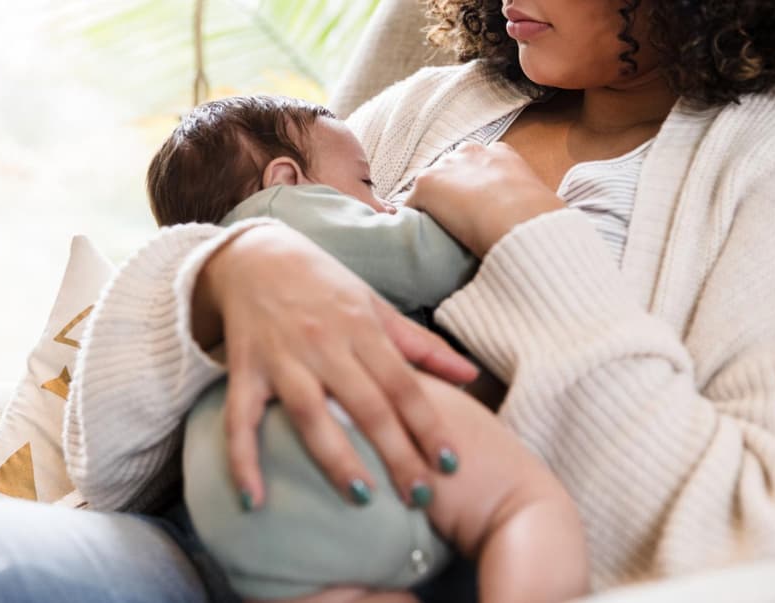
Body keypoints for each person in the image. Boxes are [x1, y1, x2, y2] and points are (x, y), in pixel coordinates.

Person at [0, 0, 775, 601]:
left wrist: (523, 242)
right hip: (202, 547)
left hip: (424, 573)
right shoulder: (441, 102)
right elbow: (106, 456)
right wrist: (224, 279)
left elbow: (769, 535)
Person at [144, 93, 587, 602]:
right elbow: (427, 258)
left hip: (233, 494)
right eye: (367, 184)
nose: (385, 204)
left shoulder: (199, 270)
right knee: (524, 504)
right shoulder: (281, 216)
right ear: (285, 179)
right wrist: (472, 199)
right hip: (340, 425)